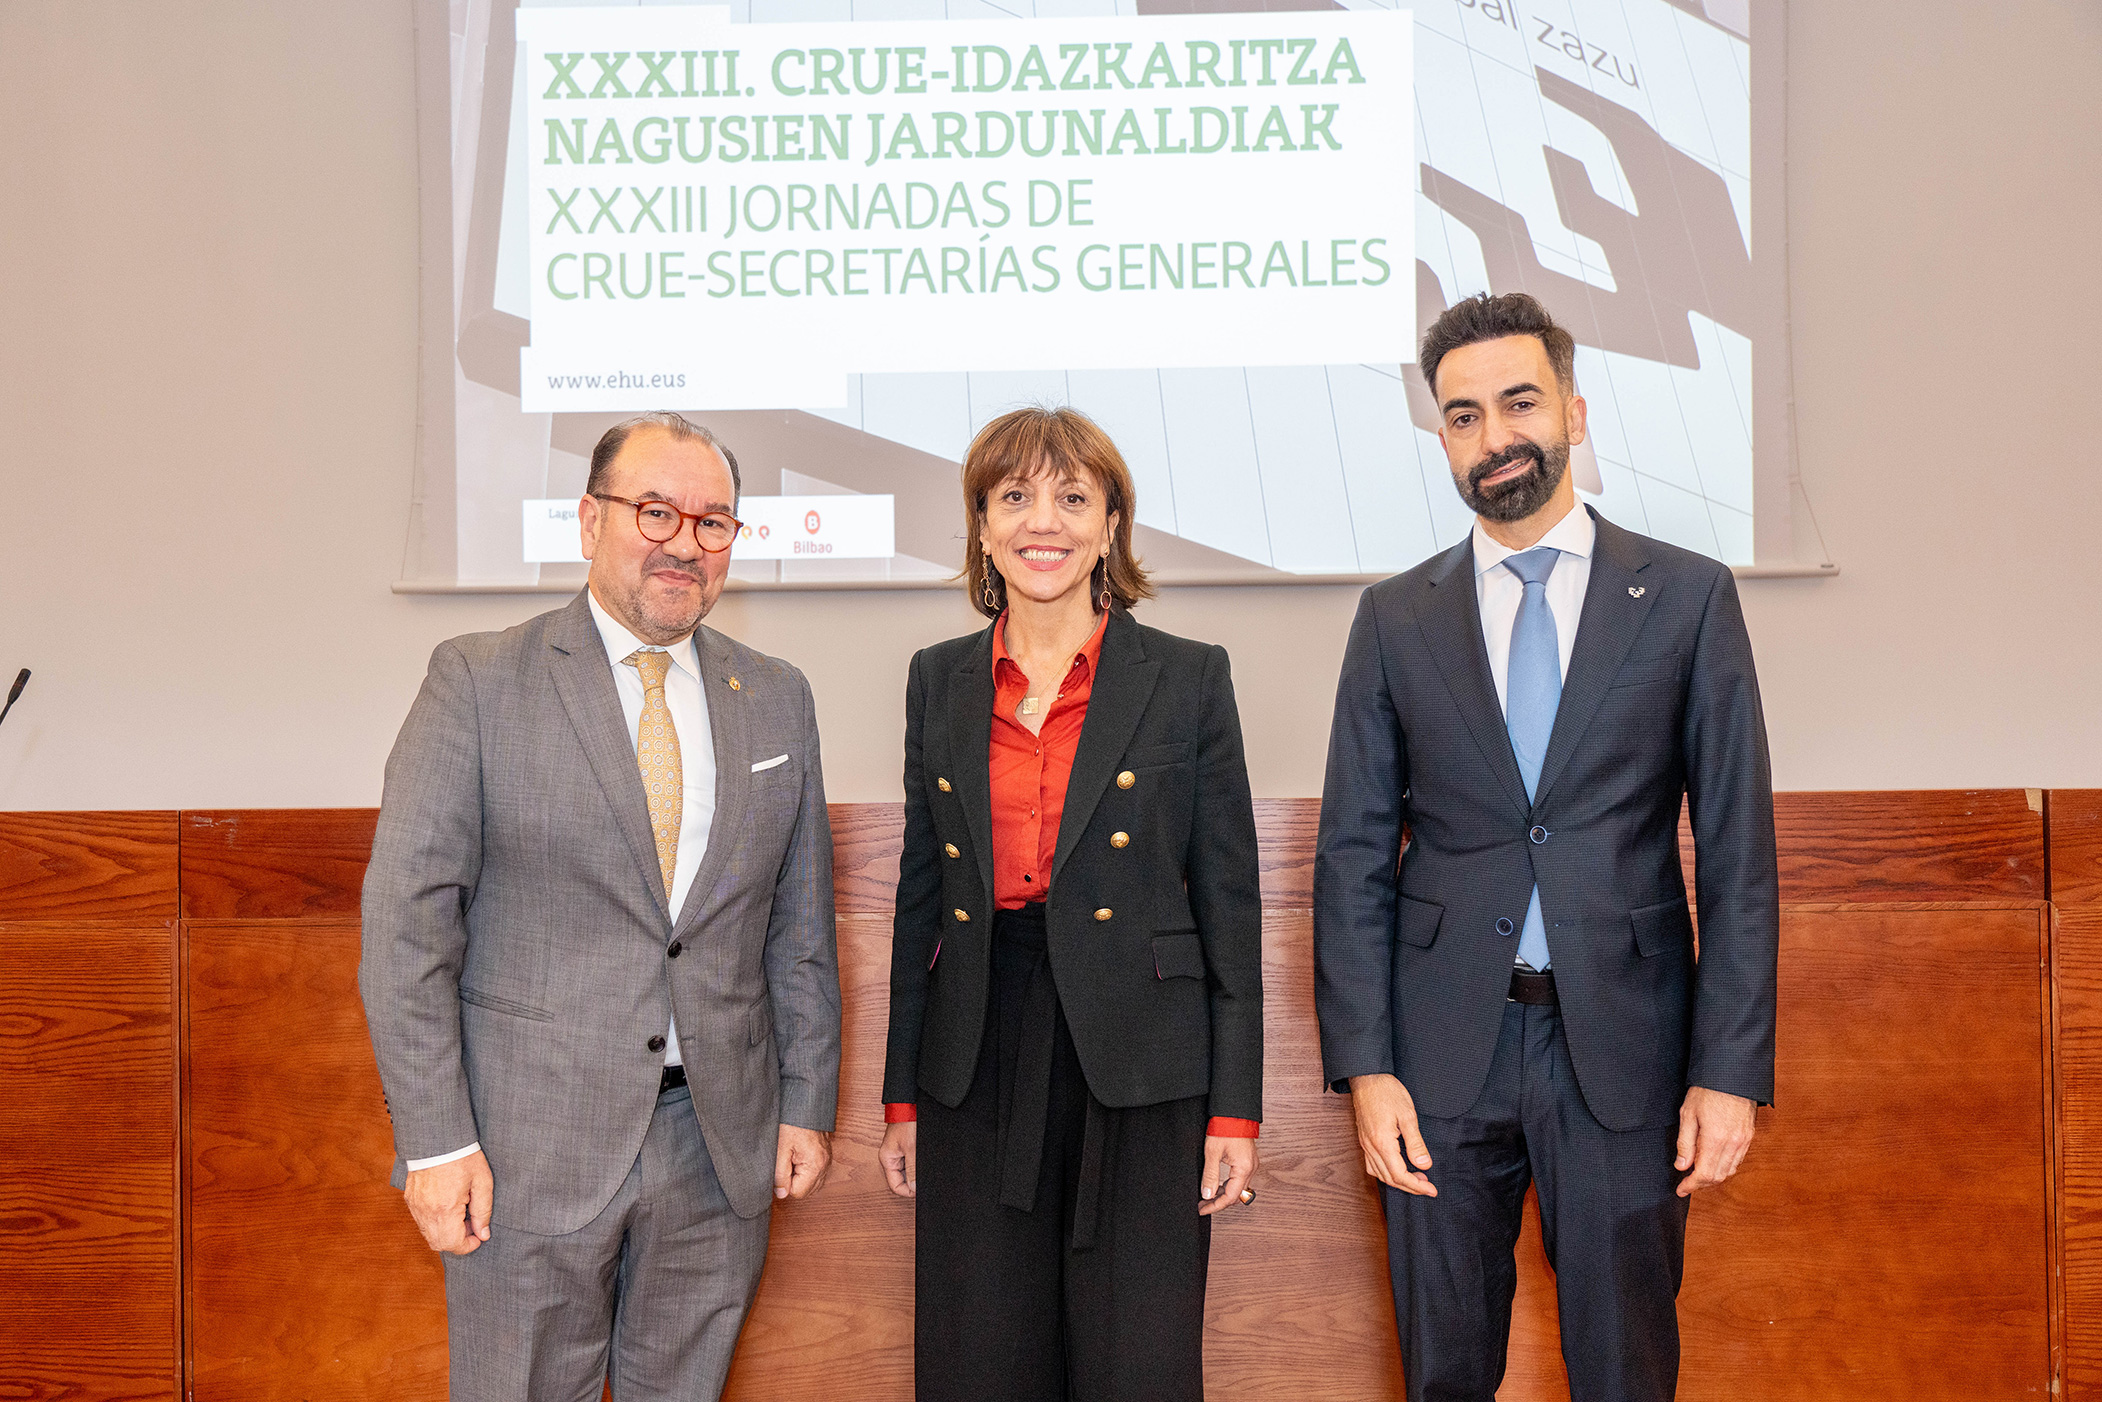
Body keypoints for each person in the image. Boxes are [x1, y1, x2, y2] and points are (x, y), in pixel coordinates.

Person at [1313, 292, 1779, 1401]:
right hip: (1438, 1059)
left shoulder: (1686, 597)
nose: (1494, 436)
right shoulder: (1394, 617)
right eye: (1463, 415)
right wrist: (1367, 1069)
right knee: (1442, 1373)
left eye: (1518, 403)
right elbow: (1351, 855)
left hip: (1624, 1050)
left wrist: (1728, 1072)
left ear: (1571, 410)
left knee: (1624, 1371)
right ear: (1442, 438)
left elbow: (1737, 854)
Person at [359, 411, 841, 1401]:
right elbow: (408, 928)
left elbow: (797, 924)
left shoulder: (776, 696)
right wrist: (438, 1142)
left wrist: (803, 1101)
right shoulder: (479, 681)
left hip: (717, 1147)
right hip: (525, 1148)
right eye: (654, 511)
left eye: (712, 522)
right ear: (589, 521)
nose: (684, 543)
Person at [877, 406, 1263, 1402]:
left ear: (1109, 526)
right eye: (1013, 496)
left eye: (1072, 497)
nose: (1041, 521)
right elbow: (921, 899)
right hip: (976, 1048)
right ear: (981, 525)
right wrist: (900, 1095)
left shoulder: (1188, 676)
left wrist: (1236, 1109)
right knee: (981, 1358)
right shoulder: (936, 679)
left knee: (1137, 1361)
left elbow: (1230, 905)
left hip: (1141, 1054)